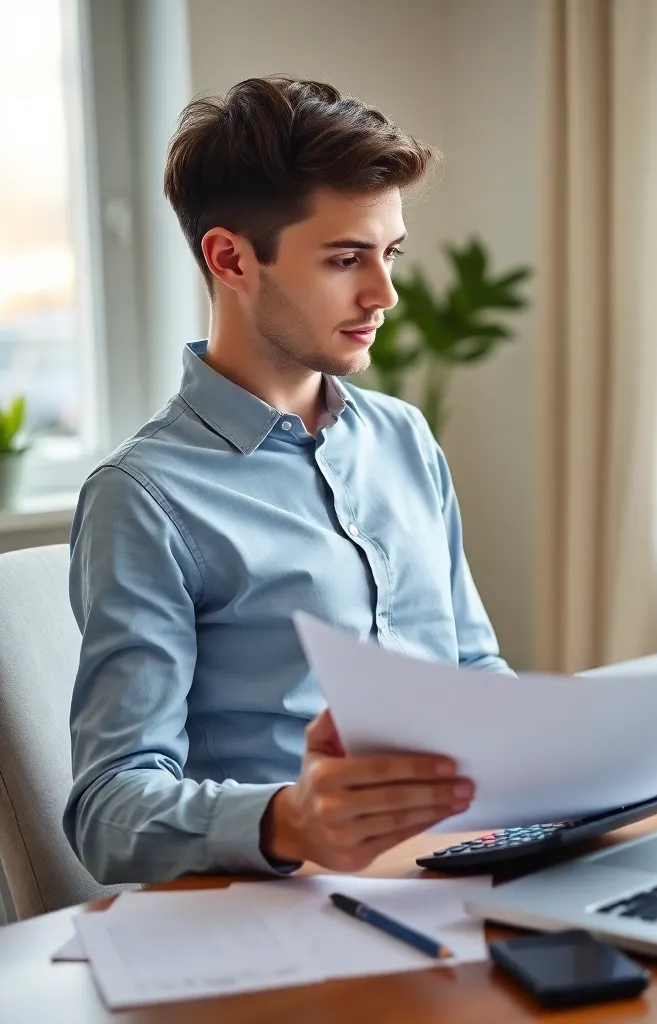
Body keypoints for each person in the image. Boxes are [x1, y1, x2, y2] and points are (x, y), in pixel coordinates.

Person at [63, 76, 510, 885]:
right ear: (231, 257)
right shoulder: (143, 498)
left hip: (452, 871)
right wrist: (289, 820)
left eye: (389, 254)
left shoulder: (404, 438)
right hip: (282, 911)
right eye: (345, 259)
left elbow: (474, 675)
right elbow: (108, 810)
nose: (385, 294)